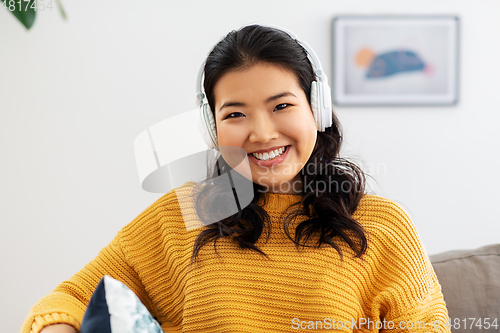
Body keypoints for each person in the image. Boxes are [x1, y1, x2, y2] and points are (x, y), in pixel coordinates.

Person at [22, 24, 450, 333]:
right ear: (213, 130)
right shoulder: (185, 213)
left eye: (281, 106)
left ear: (316, 110)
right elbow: (70, 297)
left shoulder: (381, 227)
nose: (261, 133)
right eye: (235, 114)